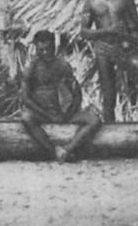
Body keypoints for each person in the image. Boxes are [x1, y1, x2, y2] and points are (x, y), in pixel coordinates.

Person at [79, 0, 138, 122]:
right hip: (103, 48)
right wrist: (106, 31)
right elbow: (84, 32)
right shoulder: (91, 2)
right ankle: (109, 124)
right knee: (108, 90)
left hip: (125, 47)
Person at [20, 30, 102, 162]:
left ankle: (67, 149)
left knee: (94, 120)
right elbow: (25, 98)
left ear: (54, 46)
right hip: (42, 113)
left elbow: (76, 93)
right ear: (36, 48)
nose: (46, 53)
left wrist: (69, 113)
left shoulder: (62, 65)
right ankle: (54, 151)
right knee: (26, 117)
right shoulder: (31, 68)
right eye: (41, 50)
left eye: (48, 49)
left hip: (62, 112)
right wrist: (48, 115)